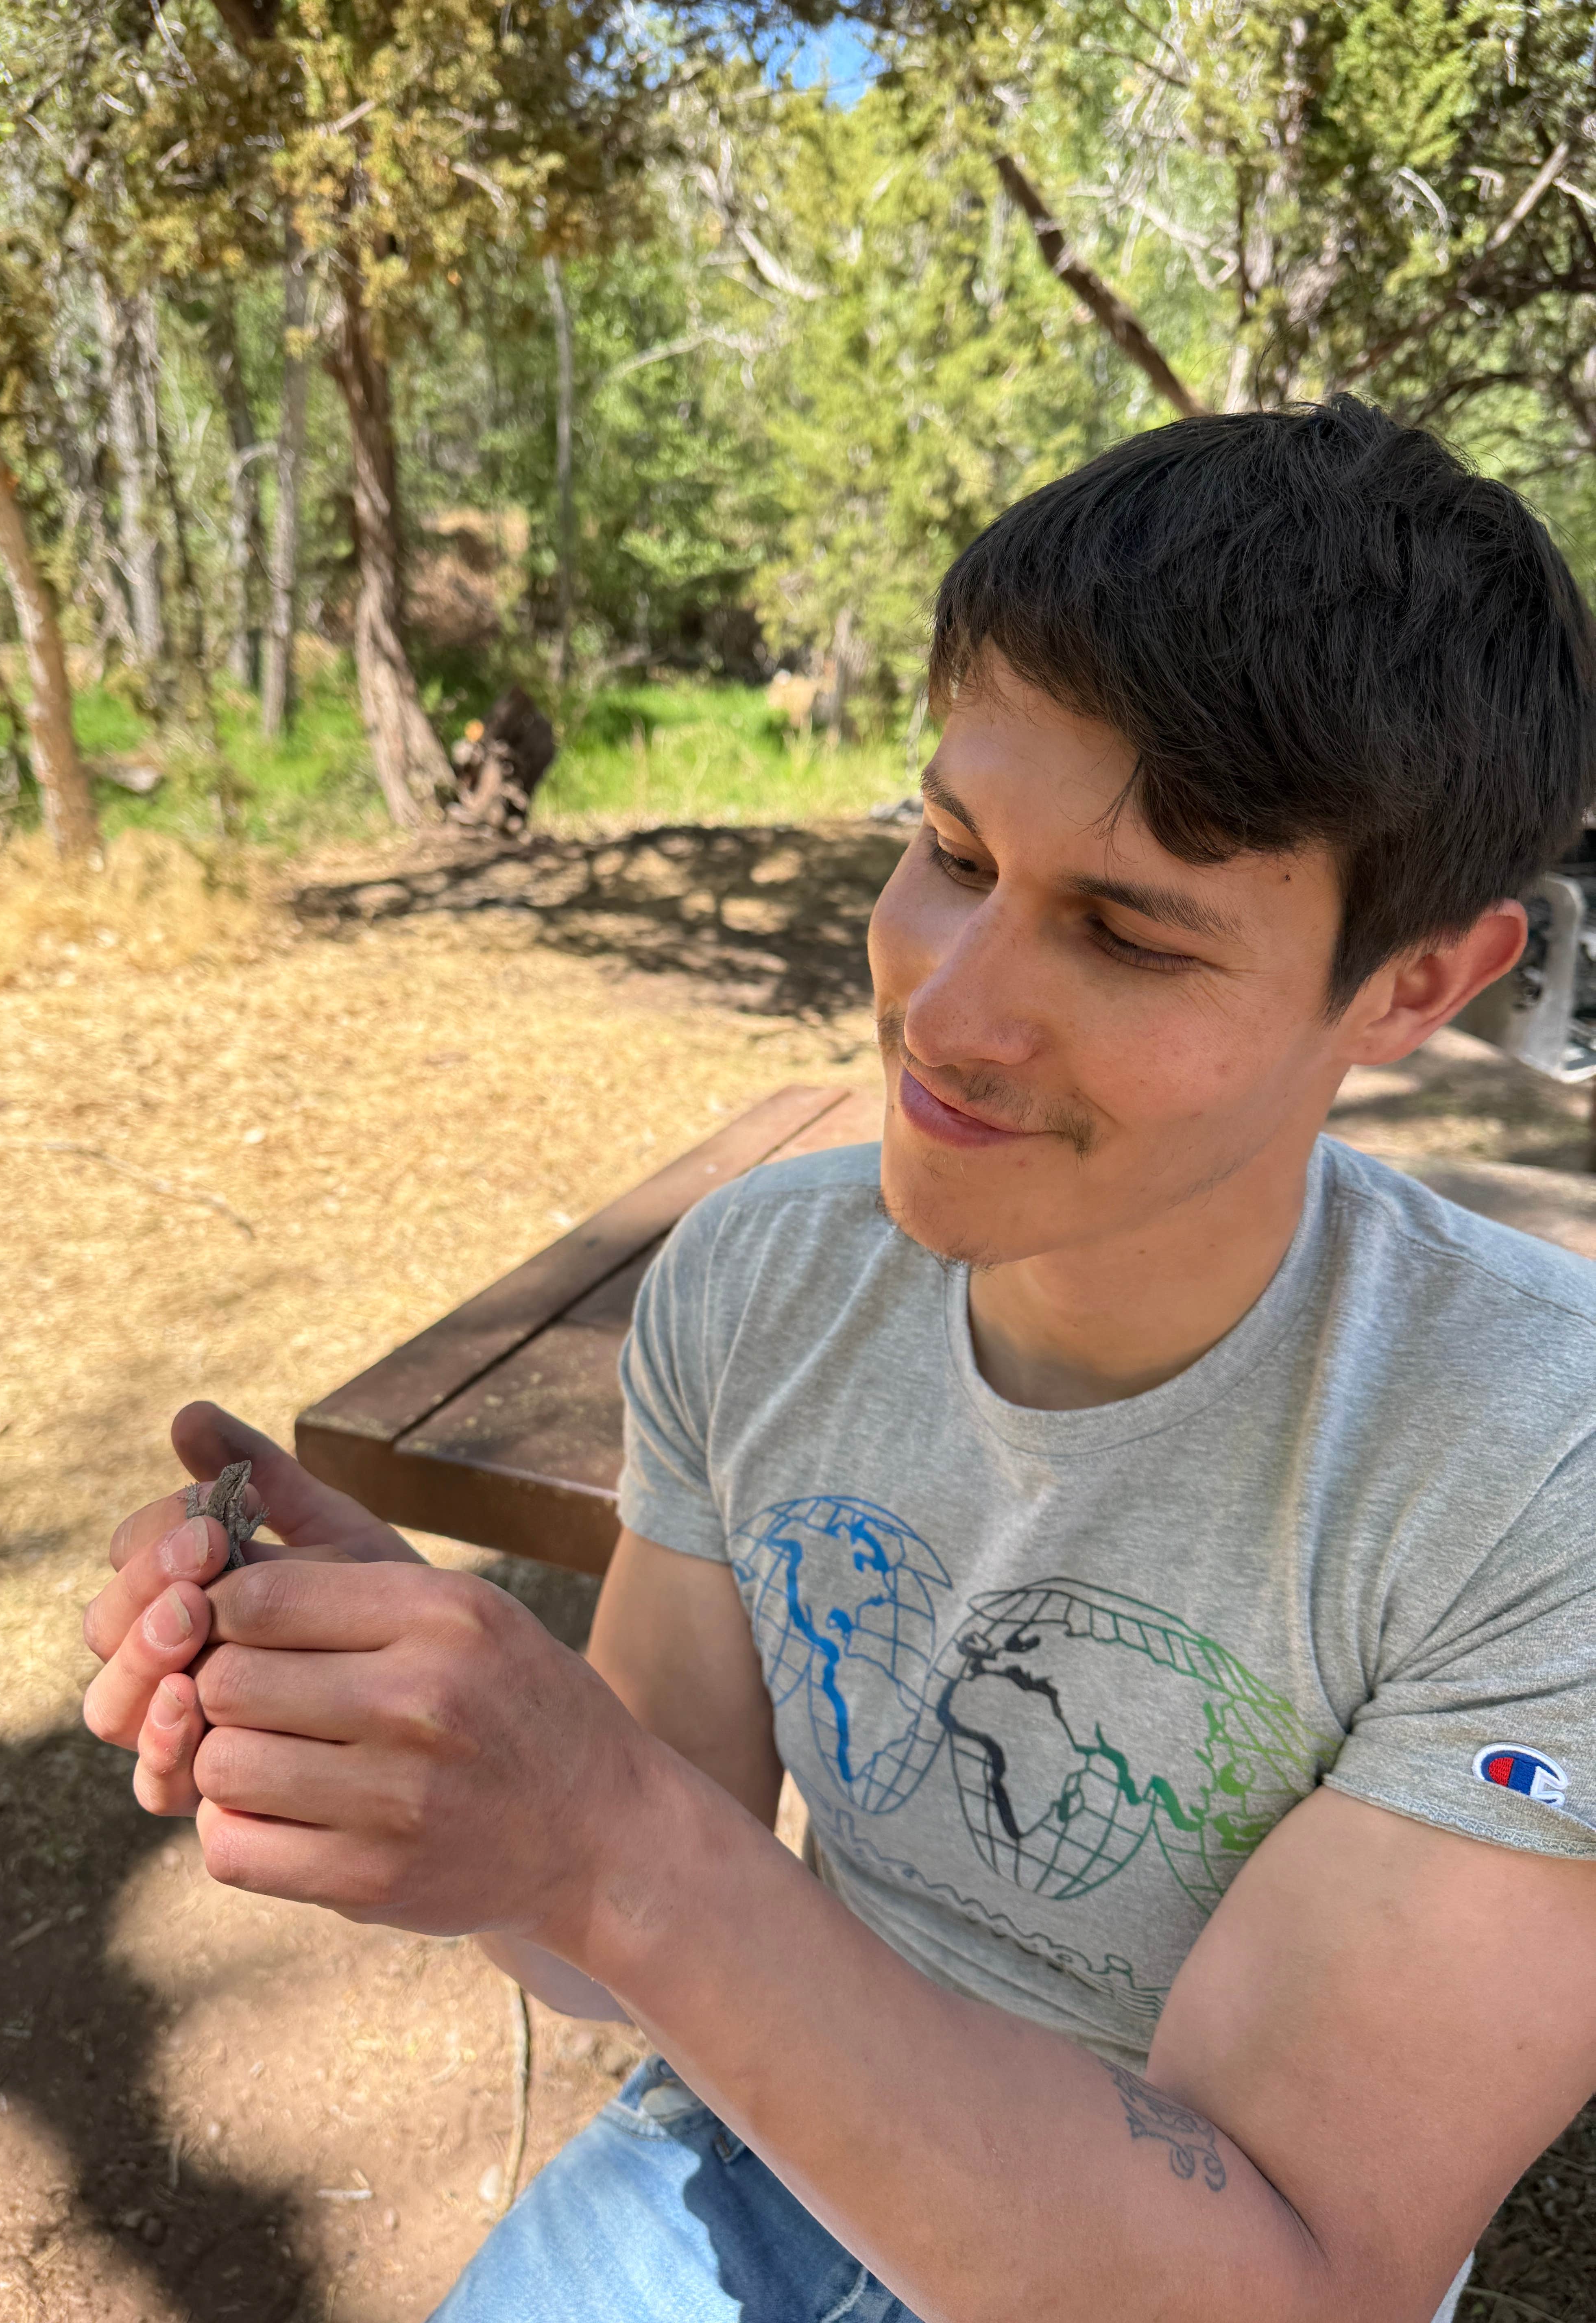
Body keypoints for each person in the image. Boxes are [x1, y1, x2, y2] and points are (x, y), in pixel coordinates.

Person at [83, 397, 1596, 2323]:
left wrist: (619, 1850)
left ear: (1417, 984)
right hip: (756, 2132)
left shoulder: (1535, 1460)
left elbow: (1281, 2283)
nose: (946, 1016)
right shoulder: (758, 1283)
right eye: (952, 852)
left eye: (1131, 937)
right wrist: (462, 1753)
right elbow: (615, 1933)